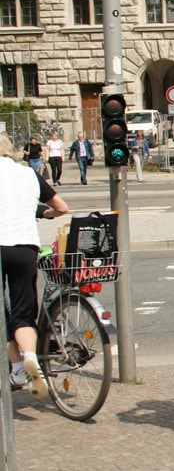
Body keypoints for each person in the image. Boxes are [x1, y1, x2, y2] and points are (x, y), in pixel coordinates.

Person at [1, 134, 69, 400]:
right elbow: (61, 208)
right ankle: (30, 357)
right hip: (25, 247)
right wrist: (42, 212)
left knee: (2, 315)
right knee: (23, 312)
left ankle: (17, 367)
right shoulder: (29, 174)